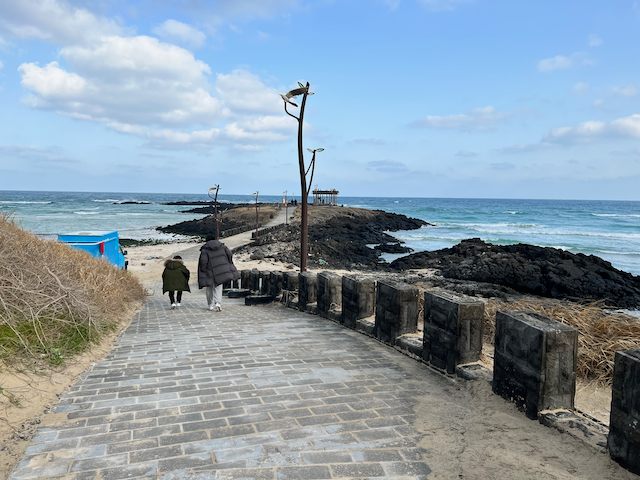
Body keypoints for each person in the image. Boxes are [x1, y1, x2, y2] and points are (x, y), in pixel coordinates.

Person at [198, 235, 240, 311]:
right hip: (220, 268)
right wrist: (227, 262)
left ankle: (210, 305)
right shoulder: (222, 246)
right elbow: (229, 254)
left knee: (209, 287)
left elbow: (203, 261)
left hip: (210, 270)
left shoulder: (205, 249)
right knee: (218, 286)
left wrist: (203, 270)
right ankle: (218, 303)